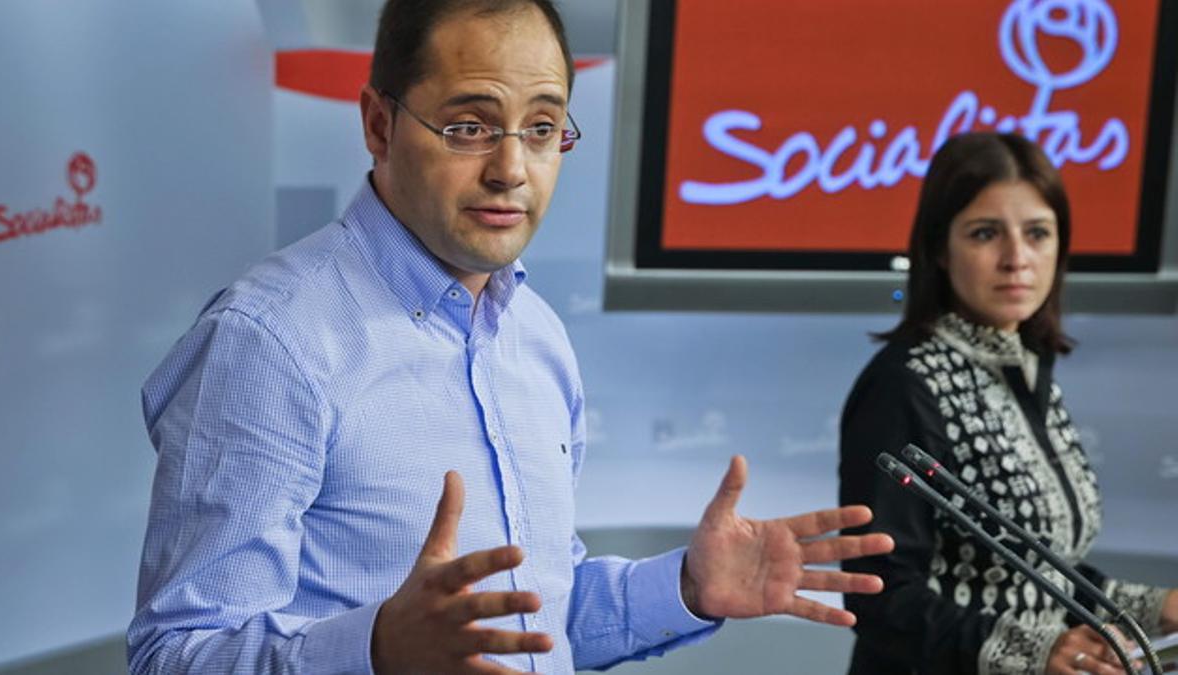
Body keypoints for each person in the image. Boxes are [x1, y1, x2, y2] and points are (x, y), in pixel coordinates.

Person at [127, 1, 895, 673]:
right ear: (378, 123)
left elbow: (536, 619)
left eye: (542, 128)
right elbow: (177, 654)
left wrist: (688, 587)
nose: (512, 169)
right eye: (470, 126)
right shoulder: (270, 341)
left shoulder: (536, 336)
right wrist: (376, 650)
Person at [838, 131, 1178, 675]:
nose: (1016, 258)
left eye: (1038, 234)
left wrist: (1156, 608)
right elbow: (880, 596)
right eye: (985, 233)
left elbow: (1036, 570)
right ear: (939, 251)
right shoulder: (904, 384)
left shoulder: (1025, 368)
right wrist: (1038, 652)